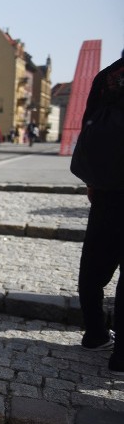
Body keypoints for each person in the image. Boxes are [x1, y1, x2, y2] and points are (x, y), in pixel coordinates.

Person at [71, 52, 124, 375]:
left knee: (93, 262)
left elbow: (88, 122)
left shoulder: (108, 75)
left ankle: (94, 332)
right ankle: (121, 357)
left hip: (104, 186)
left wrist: (92, 181)